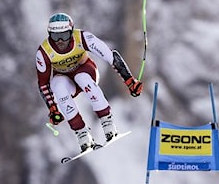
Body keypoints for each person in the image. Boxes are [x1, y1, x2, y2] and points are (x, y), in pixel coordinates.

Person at [35, 12, 143, 152]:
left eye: (65, 35)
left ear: (71, 31)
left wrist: (130, 81)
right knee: (57, 85)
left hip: (86, 72)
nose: (60, 41)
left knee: (83, 78)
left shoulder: (82, 38)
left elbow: (111, 56)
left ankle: (107, 123)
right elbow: (43, 83)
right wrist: (53, 109)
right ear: (49, 34)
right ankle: (82, 134)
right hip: (66, 82)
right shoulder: (44, 52)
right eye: (55, 36)